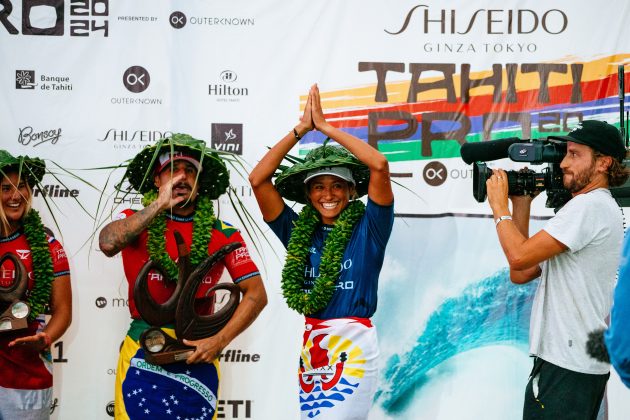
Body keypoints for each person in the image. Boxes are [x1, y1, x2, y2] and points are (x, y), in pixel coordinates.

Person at [249, 84, 394, 419]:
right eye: (318, 186)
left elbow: (380, 165)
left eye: (336, 185)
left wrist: (326, 128)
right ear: (308, 193)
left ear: (351, 190)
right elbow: (258, 180)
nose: (328, 194)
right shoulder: (298, 230)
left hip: (354, 348)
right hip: (313, 346)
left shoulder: (370, 226)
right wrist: (301, 129)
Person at [98, 134, 267, 420]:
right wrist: (158, 206)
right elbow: (107, 243)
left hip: (198, 353)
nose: (182, 177)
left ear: (200, 183)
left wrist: (219, 341)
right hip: (143, 349)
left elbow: (256, 294)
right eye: (172, 170)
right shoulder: (134, 219)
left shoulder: (223, 233)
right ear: (156, 180)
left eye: (190, 171)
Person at [485, 120, 629, 419]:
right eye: (564, 154)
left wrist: (500, 208)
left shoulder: (588, 207)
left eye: (574, 154)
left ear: (603, 163)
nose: (563, 163)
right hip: (572, 364)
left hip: (566, 365)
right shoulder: (596, 208)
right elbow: (522, 273)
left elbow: (518, 259)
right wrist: (520, 205)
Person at [0, 150, 72, 420]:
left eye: (22, 186)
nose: (15, 195)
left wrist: (46, 338)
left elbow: (63, 312)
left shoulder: (48, 246)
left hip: (27, 373)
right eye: (6, 187)